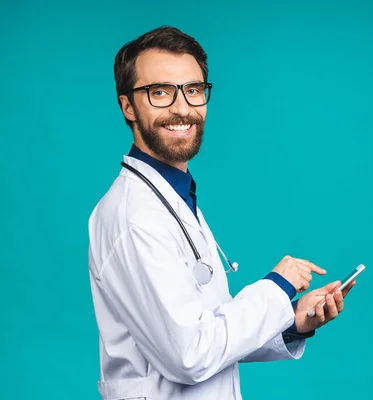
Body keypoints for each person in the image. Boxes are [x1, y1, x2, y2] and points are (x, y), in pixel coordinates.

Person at [87, 26, 356, 400]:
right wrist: (276, 287)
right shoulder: (134, 218)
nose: (182, 109)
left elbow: (212, 336)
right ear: (128, 106)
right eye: (160, 92)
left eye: (193, 90)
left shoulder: (173, 196)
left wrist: (291, 320)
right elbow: (189, 355)